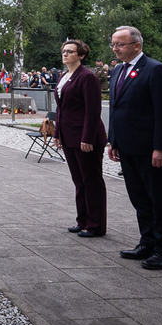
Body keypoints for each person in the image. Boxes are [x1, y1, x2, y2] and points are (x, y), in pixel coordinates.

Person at [106, 26, 162, 270]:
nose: (115, 49)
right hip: (126, 147)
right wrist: (113, 141)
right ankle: (147, 242)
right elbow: (116, 109)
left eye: (120, 44)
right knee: (139, 199)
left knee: (159, 199)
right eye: (113, 44)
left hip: (149, 149)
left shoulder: (155, 69)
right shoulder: (117, 71)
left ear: (137, 45)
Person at [52, 39, 108, 238]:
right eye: (63, 51)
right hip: (69, 136)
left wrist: (88, 138)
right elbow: (61, 109)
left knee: (91, 181)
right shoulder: (64, 76)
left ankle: (95, 225)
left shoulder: (87, 77)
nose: (65, 54)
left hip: (86, 138)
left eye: (70, 51)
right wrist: (57, 134)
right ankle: (82, 220)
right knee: (79, 181)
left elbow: (93, 111)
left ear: (81, 55)